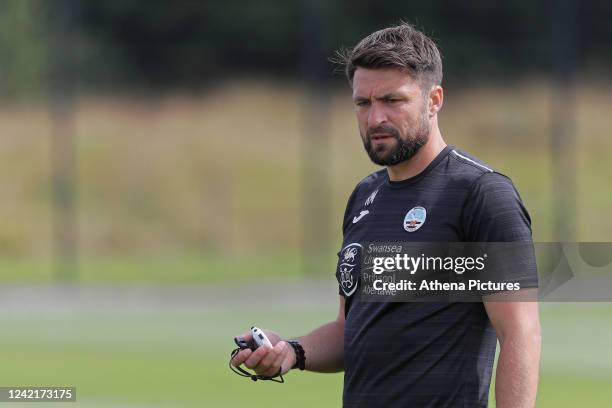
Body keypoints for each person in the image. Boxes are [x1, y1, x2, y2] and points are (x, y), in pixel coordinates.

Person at [231, 22, 541, 407]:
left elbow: (520, 334)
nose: (375, 118)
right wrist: (293, 351)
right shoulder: (366, 196)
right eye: (363, 103)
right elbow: (354, 330)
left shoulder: (481, 194)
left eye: (392, 101)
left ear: (434, 100)